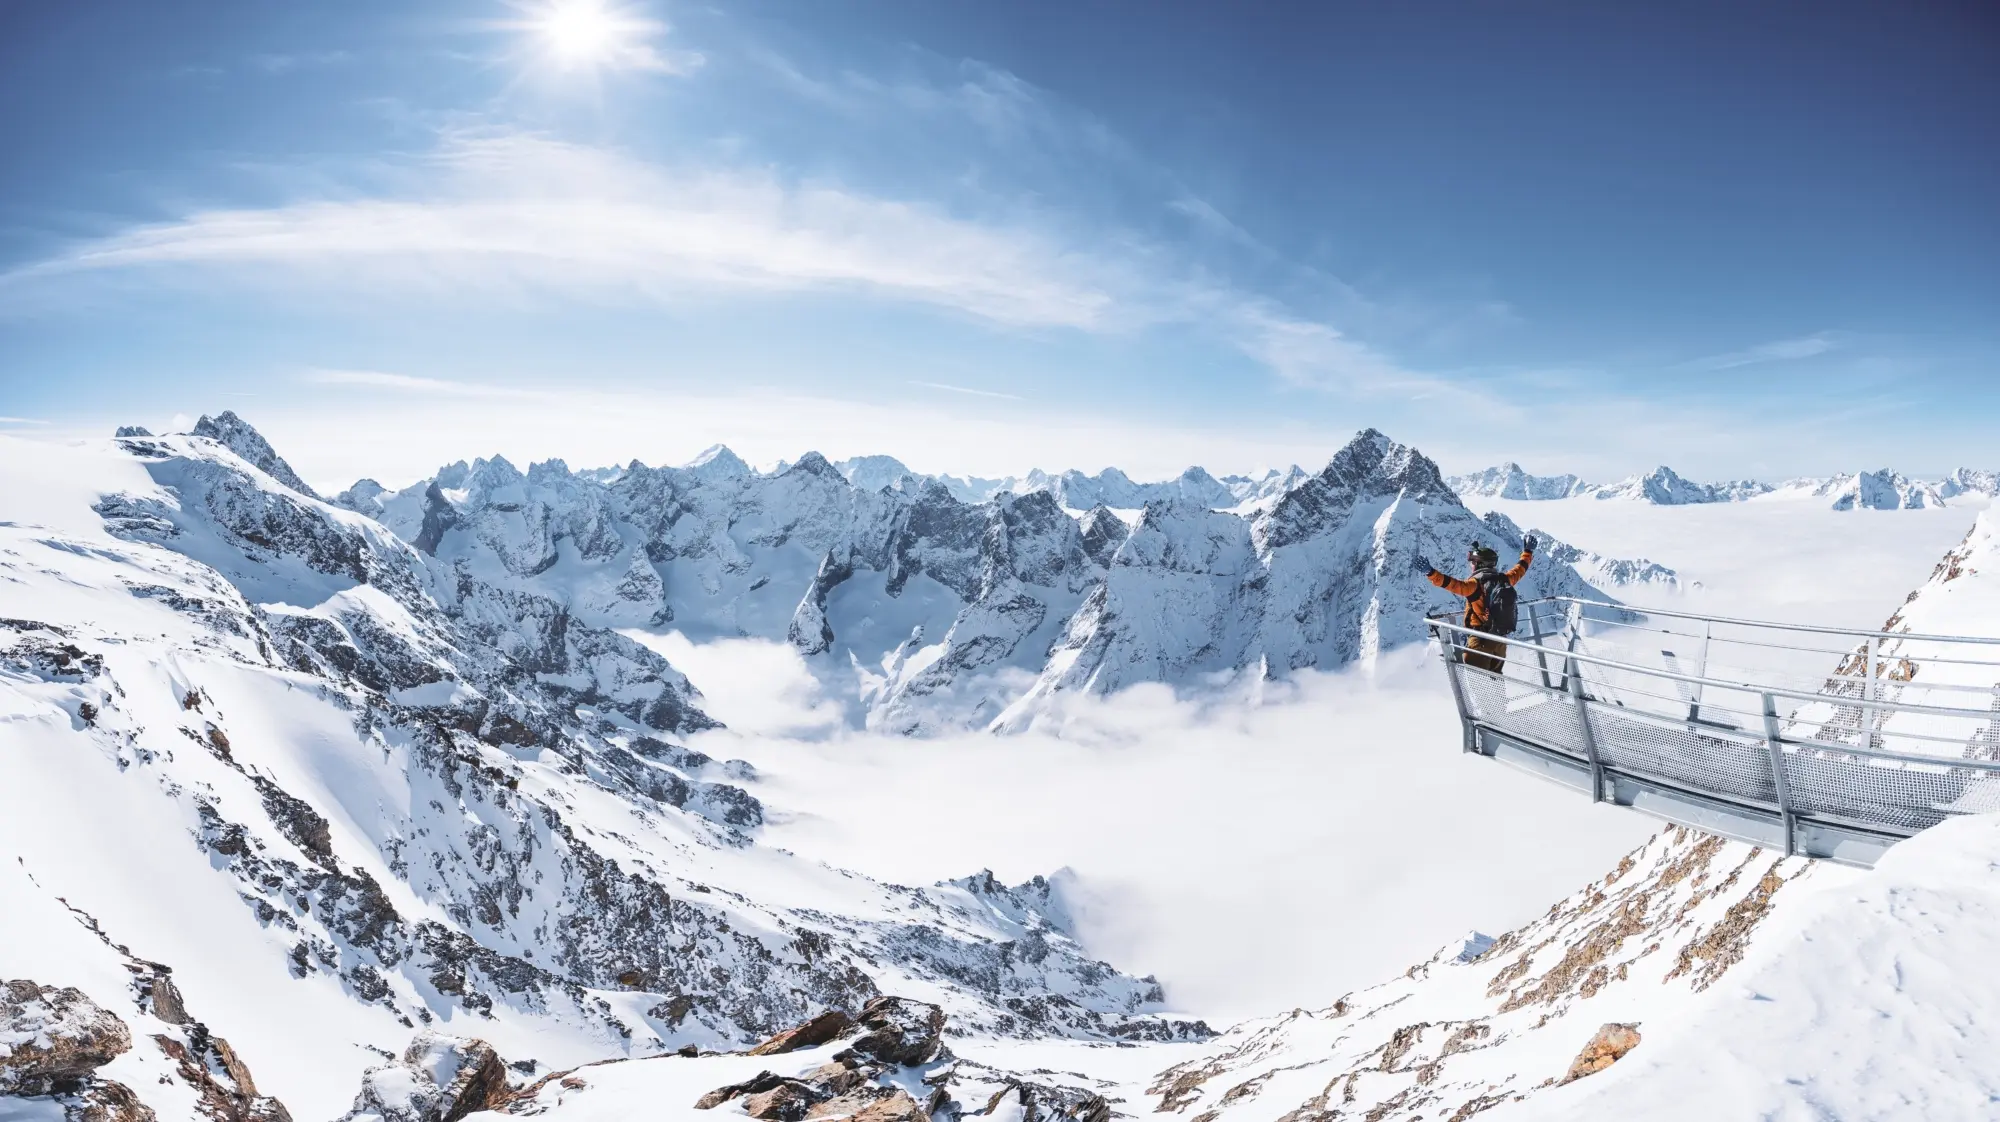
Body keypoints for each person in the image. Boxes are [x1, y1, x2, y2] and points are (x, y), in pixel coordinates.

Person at [1414, 537, 1536, 673]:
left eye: (1472, 562)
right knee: (1495, 679)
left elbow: (1451, 584)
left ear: (1480, 564)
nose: (1470, 565)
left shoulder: (1474, 584)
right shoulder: (1505, 580)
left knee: (1476, 681)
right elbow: (1520, 569)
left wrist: (1430, 573)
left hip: (1480, 641)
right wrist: (1528, 551)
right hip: (1500, 641)